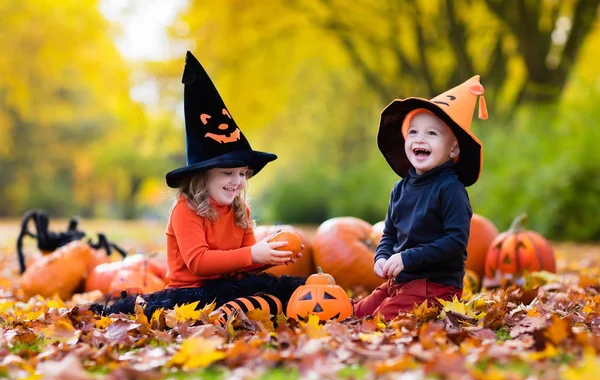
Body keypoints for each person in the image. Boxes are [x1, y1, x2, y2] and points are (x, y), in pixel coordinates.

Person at [92, 51, 305, 322]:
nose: (237, 181)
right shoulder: (186, 209)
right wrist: (253, 253)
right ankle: (231, 314)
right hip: (190, 293)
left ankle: (242, 311)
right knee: (225, 302)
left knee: (285, 292)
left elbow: (246, 265)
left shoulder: (240, 211)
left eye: (243, 173)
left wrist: (269, 256)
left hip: (230, 288)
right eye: (228, 172)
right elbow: (200, 263)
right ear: (202, 176)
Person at [353, 76, 488, 320]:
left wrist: (407, 258)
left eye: (432, 133)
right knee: (357, 312)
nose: (419, 138)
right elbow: (389, 234)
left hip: (437, 286)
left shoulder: (450, 190)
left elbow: (455, 241)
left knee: (380, 320)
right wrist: (382, 256)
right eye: (413, 131)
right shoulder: (400, 189)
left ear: (453, 149)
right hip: (401, 281)